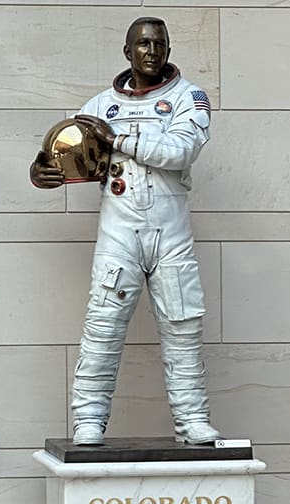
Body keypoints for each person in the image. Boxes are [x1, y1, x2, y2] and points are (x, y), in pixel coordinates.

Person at [30, 17, 221, 446]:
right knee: (103, 325)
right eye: (142, 44)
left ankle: (192, 420)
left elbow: (180, 151)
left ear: (169, 50)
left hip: (169, 233)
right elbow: (75, 159)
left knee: (183, 325)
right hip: (119, 232)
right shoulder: (99, 106)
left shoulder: (189, 98)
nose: (151, 52)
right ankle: (88, 420)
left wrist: (117, 137)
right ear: (127, 51)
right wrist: (45, 171)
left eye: (159, 44)